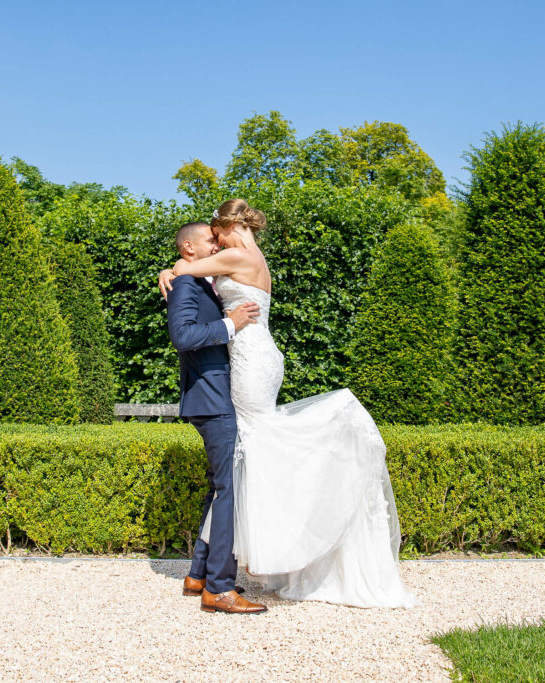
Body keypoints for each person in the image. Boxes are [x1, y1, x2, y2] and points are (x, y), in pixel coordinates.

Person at [159, 200, 417, 608]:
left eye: (215, 234)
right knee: (240, 464)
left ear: (228, 228)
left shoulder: (233, 254)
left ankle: (217, 580)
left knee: (245, 462)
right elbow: (190, 284)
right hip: (258, 356)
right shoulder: (254, 257)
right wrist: (182, 271)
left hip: (250, 357)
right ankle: (204, 576)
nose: (214, 244)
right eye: (208, 240)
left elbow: (184, 269)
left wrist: (169, 268)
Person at [165, 221, 268, 614]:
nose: (217, 245)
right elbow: (184, 337)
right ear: (189, 247)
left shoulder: (197, 280)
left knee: (219, 486)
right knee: (230, 489)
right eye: (211, 240)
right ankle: (220, 589)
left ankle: (198, 576)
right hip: (211, 398)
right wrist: (231, 323)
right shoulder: (186, 284)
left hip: (216, 395)